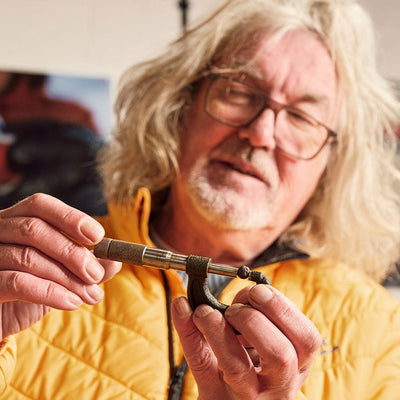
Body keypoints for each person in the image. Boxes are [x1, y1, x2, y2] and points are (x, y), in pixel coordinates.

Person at [0, 0, 399, 399]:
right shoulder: (40, 271)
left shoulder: (379, 328)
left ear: (332, 163)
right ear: (179, 107)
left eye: (301, 117)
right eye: (238, 91)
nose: (261, 133)